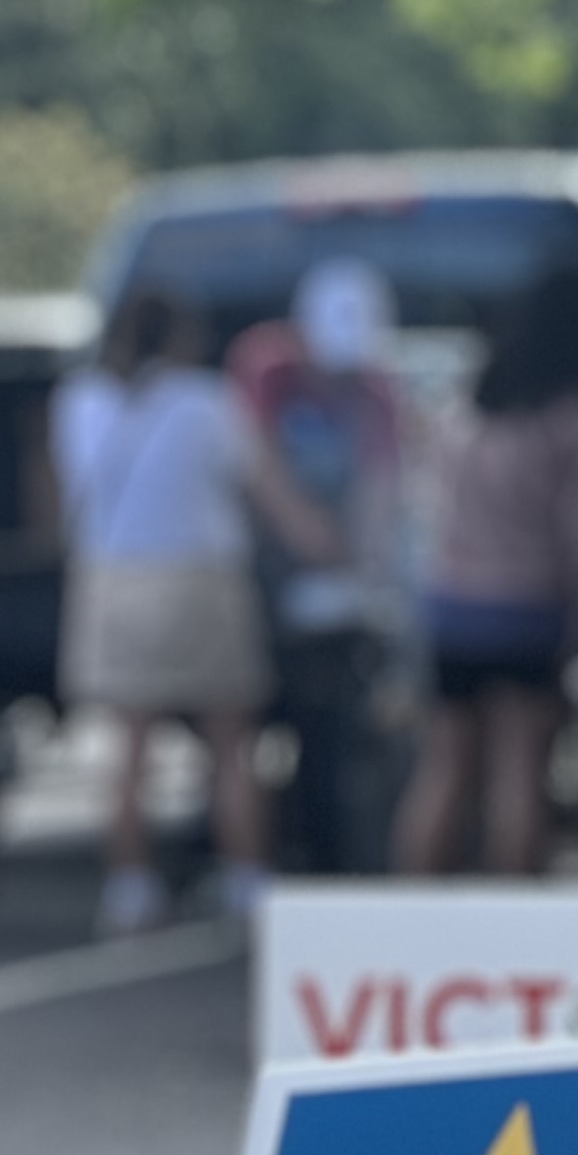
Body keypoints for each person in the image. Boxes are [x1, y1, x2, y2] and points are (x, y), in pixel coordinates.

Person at [58, 289, 335, 931]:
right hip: (202, 578)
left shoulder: (80, 402)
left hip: (112, 579)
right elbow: (270, 491)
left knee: (129, 747)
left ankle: (131, 887)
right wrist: (331, 546)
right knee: (231, 745)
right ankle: (246, 879)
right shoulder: (211, 403)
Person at [395, 268, 578, 877]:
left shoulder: (466, 404)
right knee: (522, 770)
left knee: (446, 766)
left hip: (452, 602)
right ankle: (512, 915)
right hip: (528, 606)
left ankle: (411, 907)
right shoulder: (575, 418)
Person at [232, 259, 410, 874]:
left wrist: (368, 562)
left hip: (338, 587)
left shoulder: (376, 388)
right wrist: (313, 535)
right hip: (268, 577)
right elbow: (261, 467)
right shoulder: (267, 369)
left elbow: (382, 488)